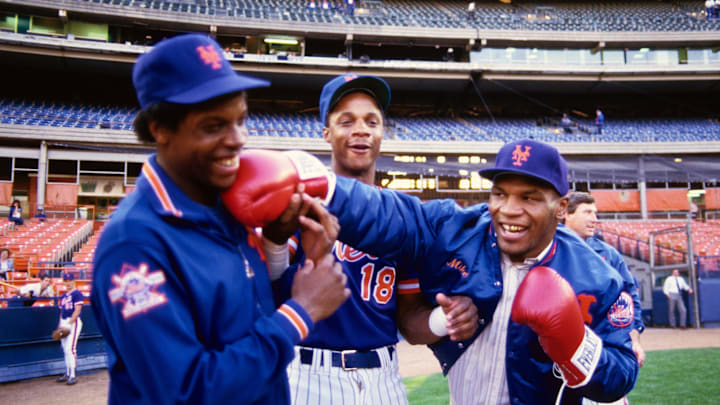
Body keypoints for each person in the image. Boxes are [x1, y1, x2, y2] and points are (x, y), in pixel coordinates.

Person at [90, 33, 349, 404]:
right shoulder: (133, 243)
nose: (238, 139)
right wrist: (301, 313)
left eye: (241, 120)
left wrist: (278, 243)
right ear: (158, 129)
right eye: (214, 126)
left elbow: (242, 320)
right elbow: (185, 392)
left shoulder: (227, 206)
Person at [309, 138, 638, 403]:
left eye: (529, 198)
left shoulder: (597, 275)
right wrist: (319, 187)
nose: (509, 210)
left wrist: (574, 347)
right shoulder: (456, 229)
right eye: (500, 193)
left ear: (561, 207)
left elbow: (620, 376)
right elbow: (391, 214)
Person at [271, 74, 479, 404]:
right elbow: (267, 283)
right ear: (326, 133)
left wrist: (445, 319)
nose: (361, 129)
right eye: (346, 121)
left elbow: (409, 322)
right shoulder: (303, 202)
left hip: (383, 379)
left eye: (372, 121)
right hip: (307, 373)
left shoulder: (402, 220)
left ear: (382, 133)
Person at [564, 191, 646, 368]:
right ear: (566, 213)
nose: (594, 219)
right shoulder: (548, 249)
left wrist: (634, 340)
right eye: (587, 212)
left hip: (601, 345)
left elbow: (628, 297)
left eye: (595, 213)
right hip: (558, 345)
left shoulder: (608, 254)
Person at [56, 272, 83, 385]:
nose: (68, 283)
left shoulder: (77, 293)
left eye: (70, 280)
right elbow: (61, 312)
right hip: (64, 321)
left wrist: (69, 323)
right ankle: (67, 373)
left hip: (73, 322)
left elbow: (77, 311)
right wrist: (59, 326)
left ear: (73, 281)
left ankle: (72, 375)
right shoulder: (63, 296)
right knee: (64, 348)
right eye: (66, 281)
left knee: (70, 348)